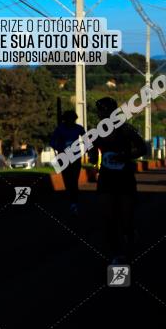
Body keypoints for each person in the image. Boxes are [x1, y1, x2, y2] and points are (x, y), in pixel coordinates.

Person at [87, 97, 147, 265]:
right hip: (106, 178)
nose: (101, 114)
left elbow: (143, 148)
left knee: (126, 219)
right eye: (99, 111)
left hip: (125, 177)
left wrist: (125, 156)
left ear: (112, 112)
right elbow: (92, 154)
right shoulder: (96, 133)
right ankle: (117, 254)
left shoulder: (125, 130)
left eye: (104, 111)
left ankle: (129, 234)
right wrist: (92, 155)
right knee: (109, 217)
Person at [50, 110, 85, 213]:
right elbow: (52, 142)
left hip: (76, 158)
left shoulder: (79, 128)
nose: (71, 121)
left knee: (74, 180)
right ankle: (71, 199)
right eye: (69, 119)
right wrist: (59, 147)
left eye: (73, 119)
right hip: (63, 157)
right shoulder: (59, 129)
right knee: (67, 180)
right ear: (65, 119)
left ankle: (74, 201)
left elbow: (86, 140)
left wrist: (89, 149)